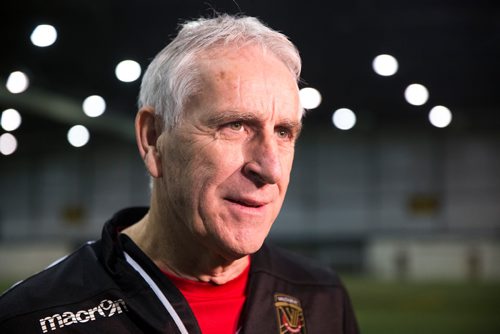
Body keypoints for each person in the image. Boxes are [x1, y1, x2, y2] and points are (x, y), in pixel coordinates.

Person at [0, 14, 359, 333]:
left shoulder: (322, 298)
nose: (270, 168)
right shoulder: (32, 317)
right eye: (235, 125)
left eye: (284, 132)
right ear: (154, 138)